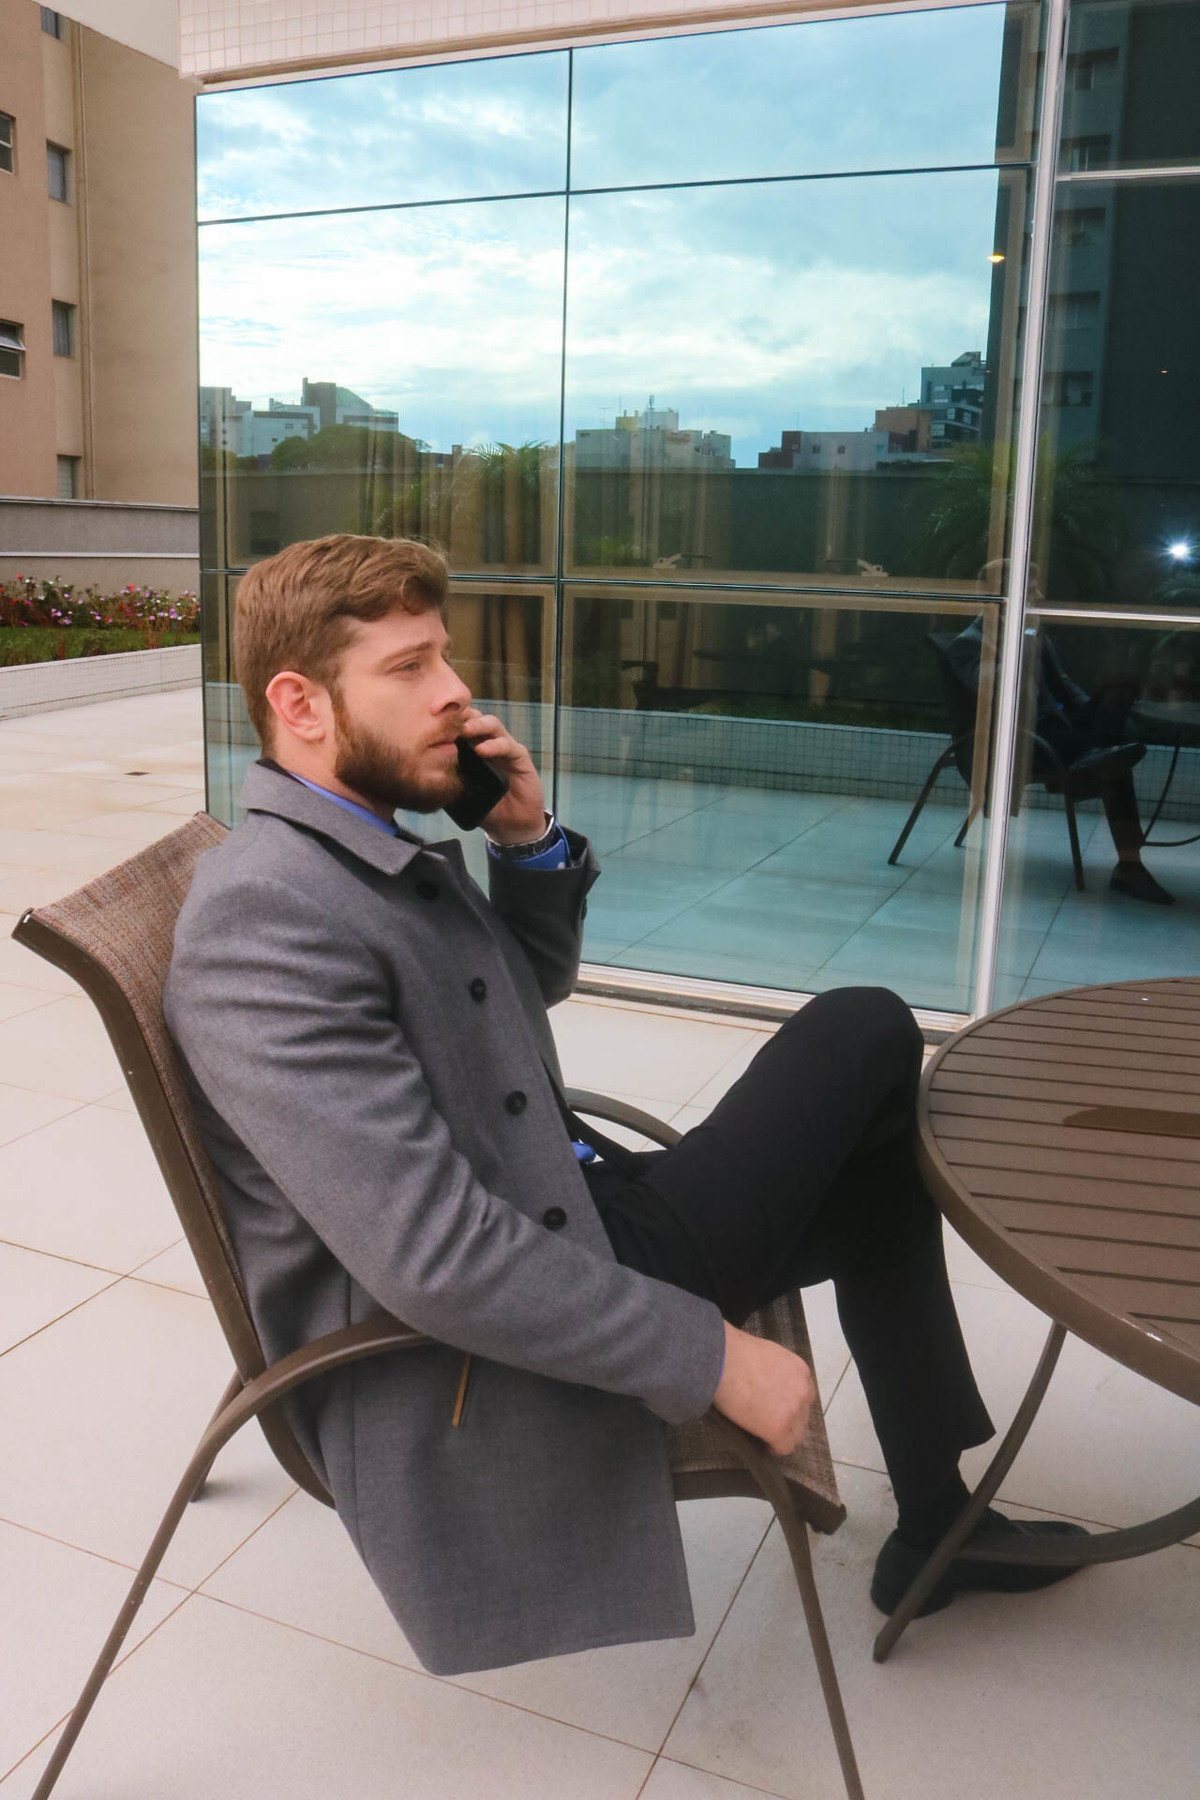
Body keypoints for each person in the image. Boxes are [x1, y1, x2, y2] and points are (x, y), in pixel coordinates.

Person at [164, 534, 1086, 1679]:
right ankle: (941, 1522)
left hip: (563, 1196)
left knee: (871, 1154)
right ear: (299, 704)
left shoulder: (353, 847)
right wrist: (709, 1357)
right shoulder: (265, 919)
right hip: (502, 1319)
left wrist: (527, 842)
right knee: (866, 1028)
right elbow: (431, 1257)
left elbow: (505, 999)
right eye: (409, 667)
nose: (456, 691)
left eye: (443, 656)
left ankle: (940, 1523)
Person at [949, 573, 1172, 905]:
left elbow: (1061, 682)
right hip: (1026, 737)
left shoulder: (1033, 632)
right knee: (1116, 771)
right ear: (1000, 593)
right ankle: (1129, 864)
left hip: (1061, 722)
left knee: (1120, 689)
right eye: (1030, 588)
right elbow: (999, 692)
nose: (1039, 595)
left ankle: (1097, 753)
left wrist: (1088, 707)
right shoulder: (971, 642)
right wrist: (1022, 641)